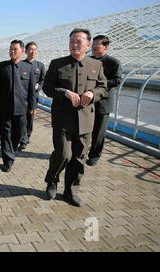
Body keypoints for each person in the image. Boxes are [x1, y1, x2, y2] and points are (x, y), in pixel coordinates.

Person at [42, 28, 107, 206]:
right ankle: (52, 180)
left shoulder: (96, 65)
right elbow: (47, 88)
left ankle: (71, 191)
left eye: (78, 41)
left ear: (88, 44)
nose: (74, 44)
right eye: (71, 41)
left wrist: (93, 93)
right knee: (63, 154)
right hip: (62, 119)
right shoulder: (57, 64)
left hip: (86, 120)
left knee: (79, 158)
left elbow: (103, 88)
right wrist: (65, 93)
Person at [0, 40, 37, 172]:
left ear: (22, 51)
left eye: (15, 49)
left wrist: (33, 107)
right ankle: (8, 160)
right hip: (5, 107)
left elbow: (31, 90)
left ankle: (10, 150)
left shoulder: (28, 68)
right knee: (5, 133)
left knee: (19, 133)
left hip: (22, 108)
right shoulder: (1, 66)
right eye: (11, 49)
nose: (12, 51)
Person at [87, 35, 122, 166]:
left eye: (98, 44)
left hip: (103, 103)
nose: (94, 46)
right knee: (84, 128)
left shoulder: (113, 62)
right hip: (88, 100)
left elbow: (117, 81)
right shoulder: (87, 60)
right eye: (93, 44)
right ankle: (81, 151)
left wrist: (99, 85)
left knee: (99, 132)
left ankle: (94, 155)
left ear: (106, 47)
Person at [18, 42, 46, 150]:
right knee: (21, 118)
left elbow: (43, 80)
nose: (33, 52)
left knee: (30, 118)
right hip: (22, 97)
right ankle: (23, 139)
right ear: (25, 51)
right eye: (30, 49)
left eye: (35, 49)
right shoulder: (21, 64)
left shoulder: (40, 66)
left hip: (33, 97)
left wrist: (38, 86)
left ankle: (26, 136)